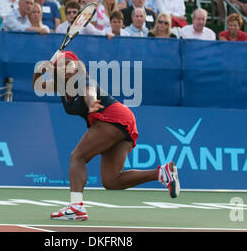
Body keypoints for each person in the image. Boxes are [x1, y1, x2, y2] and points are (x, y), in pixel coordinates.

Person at [32, 51, 180, 220]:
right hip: (119, 122)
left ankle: (76, 207)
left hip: (114, 118)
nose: (66, 67)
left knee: (78, 157)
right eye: (62, 65)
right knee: (111, 181)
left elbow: (89, 92)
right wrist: (44, 66)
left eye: (70, 64)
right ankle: (162, 173)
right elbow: (37, 85)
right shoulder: (59, 87)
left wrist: (91, 102)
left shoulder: (83, 81)